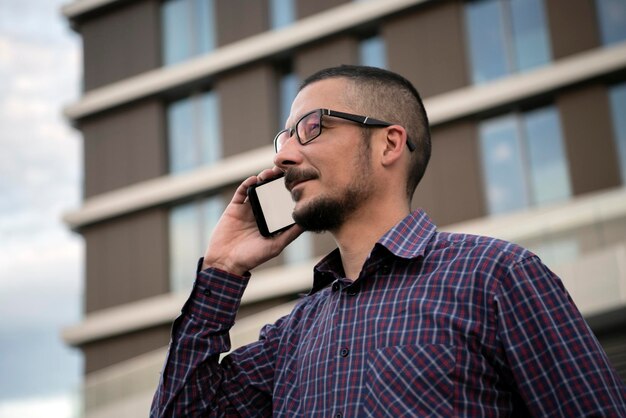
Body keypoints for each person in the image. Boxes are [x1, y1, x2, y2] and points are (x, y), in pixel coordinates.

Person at [150, 65, 626, 417]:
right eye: (283, 139)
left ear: (389, 144)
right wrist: (223, 269)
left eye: (311, 128)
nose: (286, 157)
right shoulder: (294, 334)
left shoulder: (497, 276)